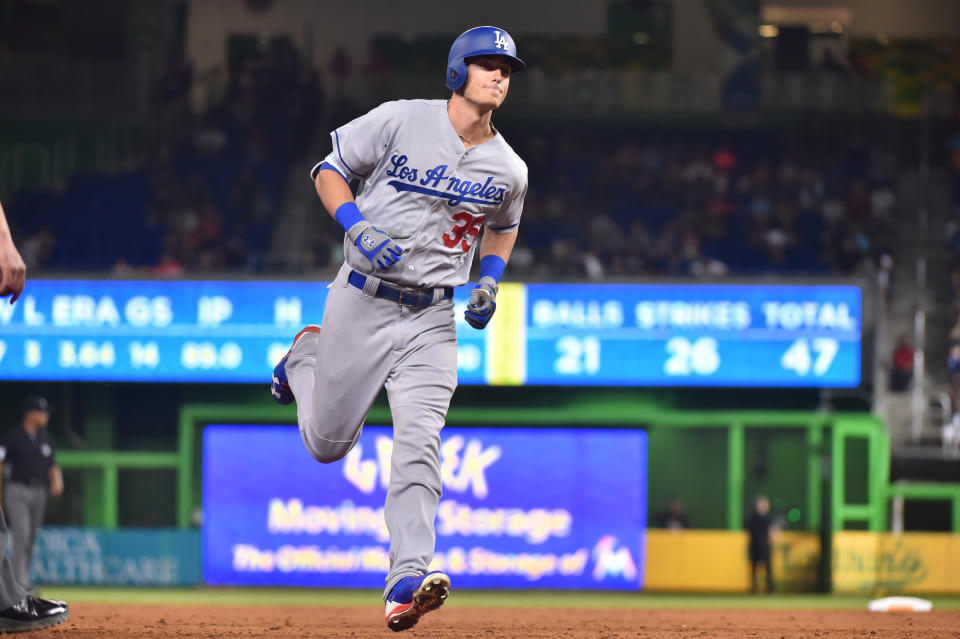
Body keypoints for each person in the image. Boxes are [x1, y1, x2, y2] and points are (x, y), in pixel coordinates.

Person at [270, 26, 526, 632]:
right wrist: (356, 226)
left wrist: (489, 280)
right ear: (458, 70)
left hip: (433, 317)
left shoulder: (509, 167)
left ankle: (405, 577)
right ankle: (305, 355)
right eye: (487, 64)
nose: (499, 75)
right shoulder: (400, 119)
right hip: (361, 300)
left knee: (420, 442)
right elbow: (328, 170)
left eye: (507, 68)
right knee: (327, 445)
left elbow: (504, 224)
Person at [0, 201, 69, 631]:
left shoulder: (43, 442)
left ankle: (8, 595)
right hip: (17, 488)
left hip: (36, 490)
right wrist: (4, 241)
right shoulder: (14, 433)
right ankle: (7, 599)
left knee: (21, 538)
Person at [0, 396, 64, 592]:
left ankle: (22, 580)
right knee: (22, 534)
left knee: (31, 538)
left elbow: (52, 464)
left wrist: (57, 479)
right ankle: (20, 584)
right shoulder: (13, 437)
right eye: (42, 411)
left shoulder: (45, 438)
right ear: (30, 413)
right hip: (17, 490)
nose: (46, 415)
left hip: (40, 492)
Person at [746, 495, 776, 593]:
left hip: (765, 546)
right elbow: (749, 533)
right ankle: (753, 588)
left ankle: (770, 588)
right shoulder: (753, 517)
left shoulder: (768, 518)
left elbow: (771, 532)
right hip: (755, 546)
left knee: (768, 568)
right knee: (754, 568)